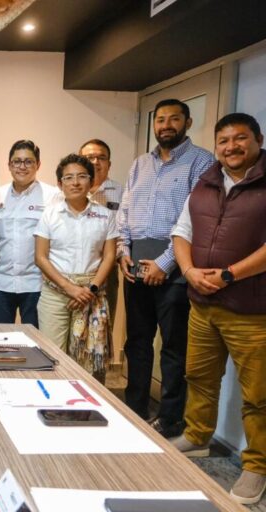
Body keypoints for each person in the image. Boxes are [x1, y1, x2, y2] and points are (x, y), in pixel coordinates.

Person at [170, 113, 266, 505]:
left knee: (258, 393)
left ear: (258, 139)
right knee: (199, 376)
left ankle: (257, 465)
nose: (231, 147)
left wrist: (228, 275)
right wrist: (190, 271)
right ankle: (197, 436)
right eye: (223, 140)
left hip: (251, 308)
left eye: (240, 138)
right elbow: (182, 232)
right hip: (203, 303)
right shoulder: (206, 182)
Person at [118, 98, 215, 437]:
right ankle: (134, 409)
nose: (166, 125)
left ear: (188, 123)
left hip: (174, 266)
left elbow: (198, 221)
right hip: (134, 265)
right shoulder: (140, 164)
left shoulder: (202, 162)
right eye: (160, 120)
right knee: (137, 342)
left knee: (173, 348)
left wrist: (164, 264)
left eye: (174, 119)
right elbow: (125, 213)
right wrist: (122, 251)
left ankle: (171, 419)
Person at [34, 154, 118, 382]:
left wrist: (90, 290)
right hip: (55, 294)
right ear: (60, 184)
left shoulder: (105, 215)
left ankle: (87, 409)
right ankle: (54, 407)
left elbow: (109, 256)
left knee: (90, 361)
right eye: (68, 178)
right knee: (52, 356)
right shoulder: (50, 214)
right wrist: (69, 288)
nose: (75, 182)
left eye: (82, 176)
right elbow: (41, 257)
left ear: (91, 181)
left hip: (93, 294)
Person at [0, 140, 57, 327]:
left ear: (38, 165)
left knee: (36, 342)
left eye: (28, 161)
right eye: (17, 161)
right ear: (9, 165)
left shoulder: (52, 195)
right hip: (2, 282)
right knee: (1, 339)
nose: (22, 166)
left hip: (36, 283)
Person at [79, 138, 123, 326]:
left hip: (107, 271)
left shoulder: (122, 192)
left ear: (109, 164)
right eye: (89, 157)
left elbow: (125, 231)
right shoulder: (69, 190)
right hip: (72, 269)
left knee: (102, 327)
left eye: (101, 158)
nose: (95, 162)